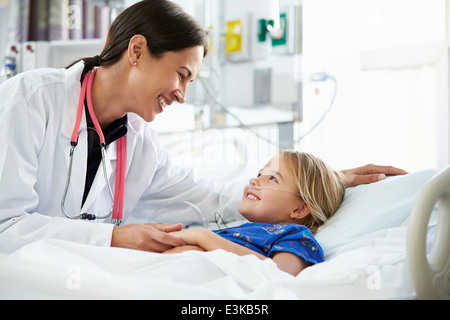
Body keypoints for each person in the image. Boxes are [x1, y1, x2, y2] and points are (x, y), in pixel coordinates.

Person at [0, 0, 407, 255]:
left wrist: (321, 183)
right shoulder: (31, 101)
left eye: (189, 82)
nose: (182, 94)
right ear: (137, 51)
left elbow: (209, 198)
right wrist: (114, 238)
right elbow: (5, 226)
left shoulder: (138, 143)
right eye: (180, 75)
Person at [164, 151, 346, 276]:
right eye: (259, 174)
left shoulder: (295, 237)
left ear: (299, 209)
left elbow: (278, 276)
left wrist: (201, 237)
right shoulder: (238, 231)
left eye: (273, 178)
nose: (254, 180)